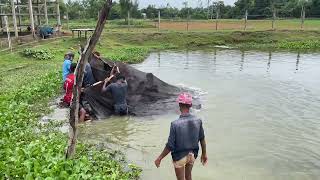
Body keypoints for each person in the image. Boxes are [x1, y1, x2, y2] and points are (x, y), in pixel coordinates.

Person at [154, 93, 208, 180]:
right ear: (190, 105)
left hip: (179, 156)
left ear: (179, 105)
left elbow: (170, 145)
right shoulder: (198, 121)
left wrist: (159, 158)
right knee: (188, 176)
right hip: (192, 155)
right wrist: (204, 154)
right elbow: (202, 139)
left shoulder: (175, 124)